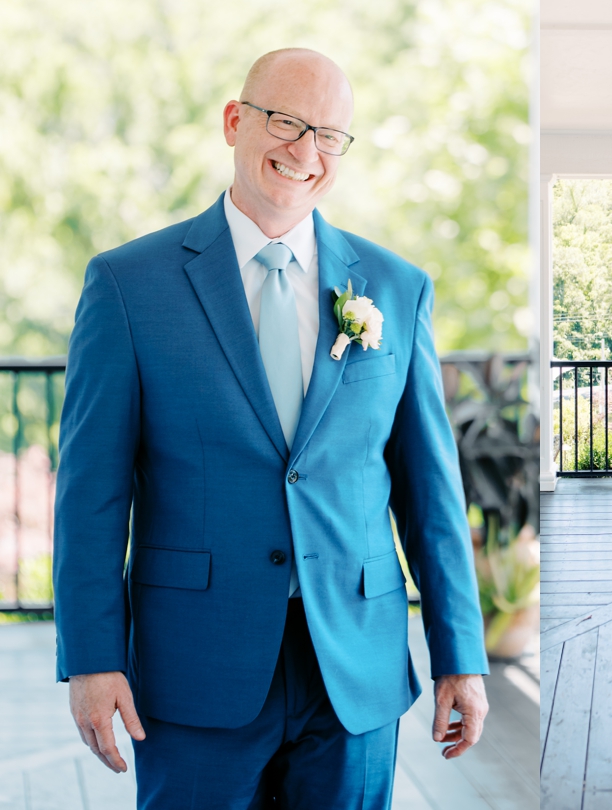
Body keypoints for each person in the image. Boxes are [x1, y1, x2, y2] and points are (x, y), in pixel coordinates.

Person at [52, 48, 489, 808]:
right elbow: (90, 495)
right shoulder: (128, 285)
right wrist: (91, 658)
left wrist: (462, 655)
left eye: (328, 134)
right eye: (285, 121)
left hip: (354, 665)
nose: (304, 151)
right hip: (194, 665)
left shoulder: (396, 287)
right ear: (234, 121)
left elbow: (430, 493)